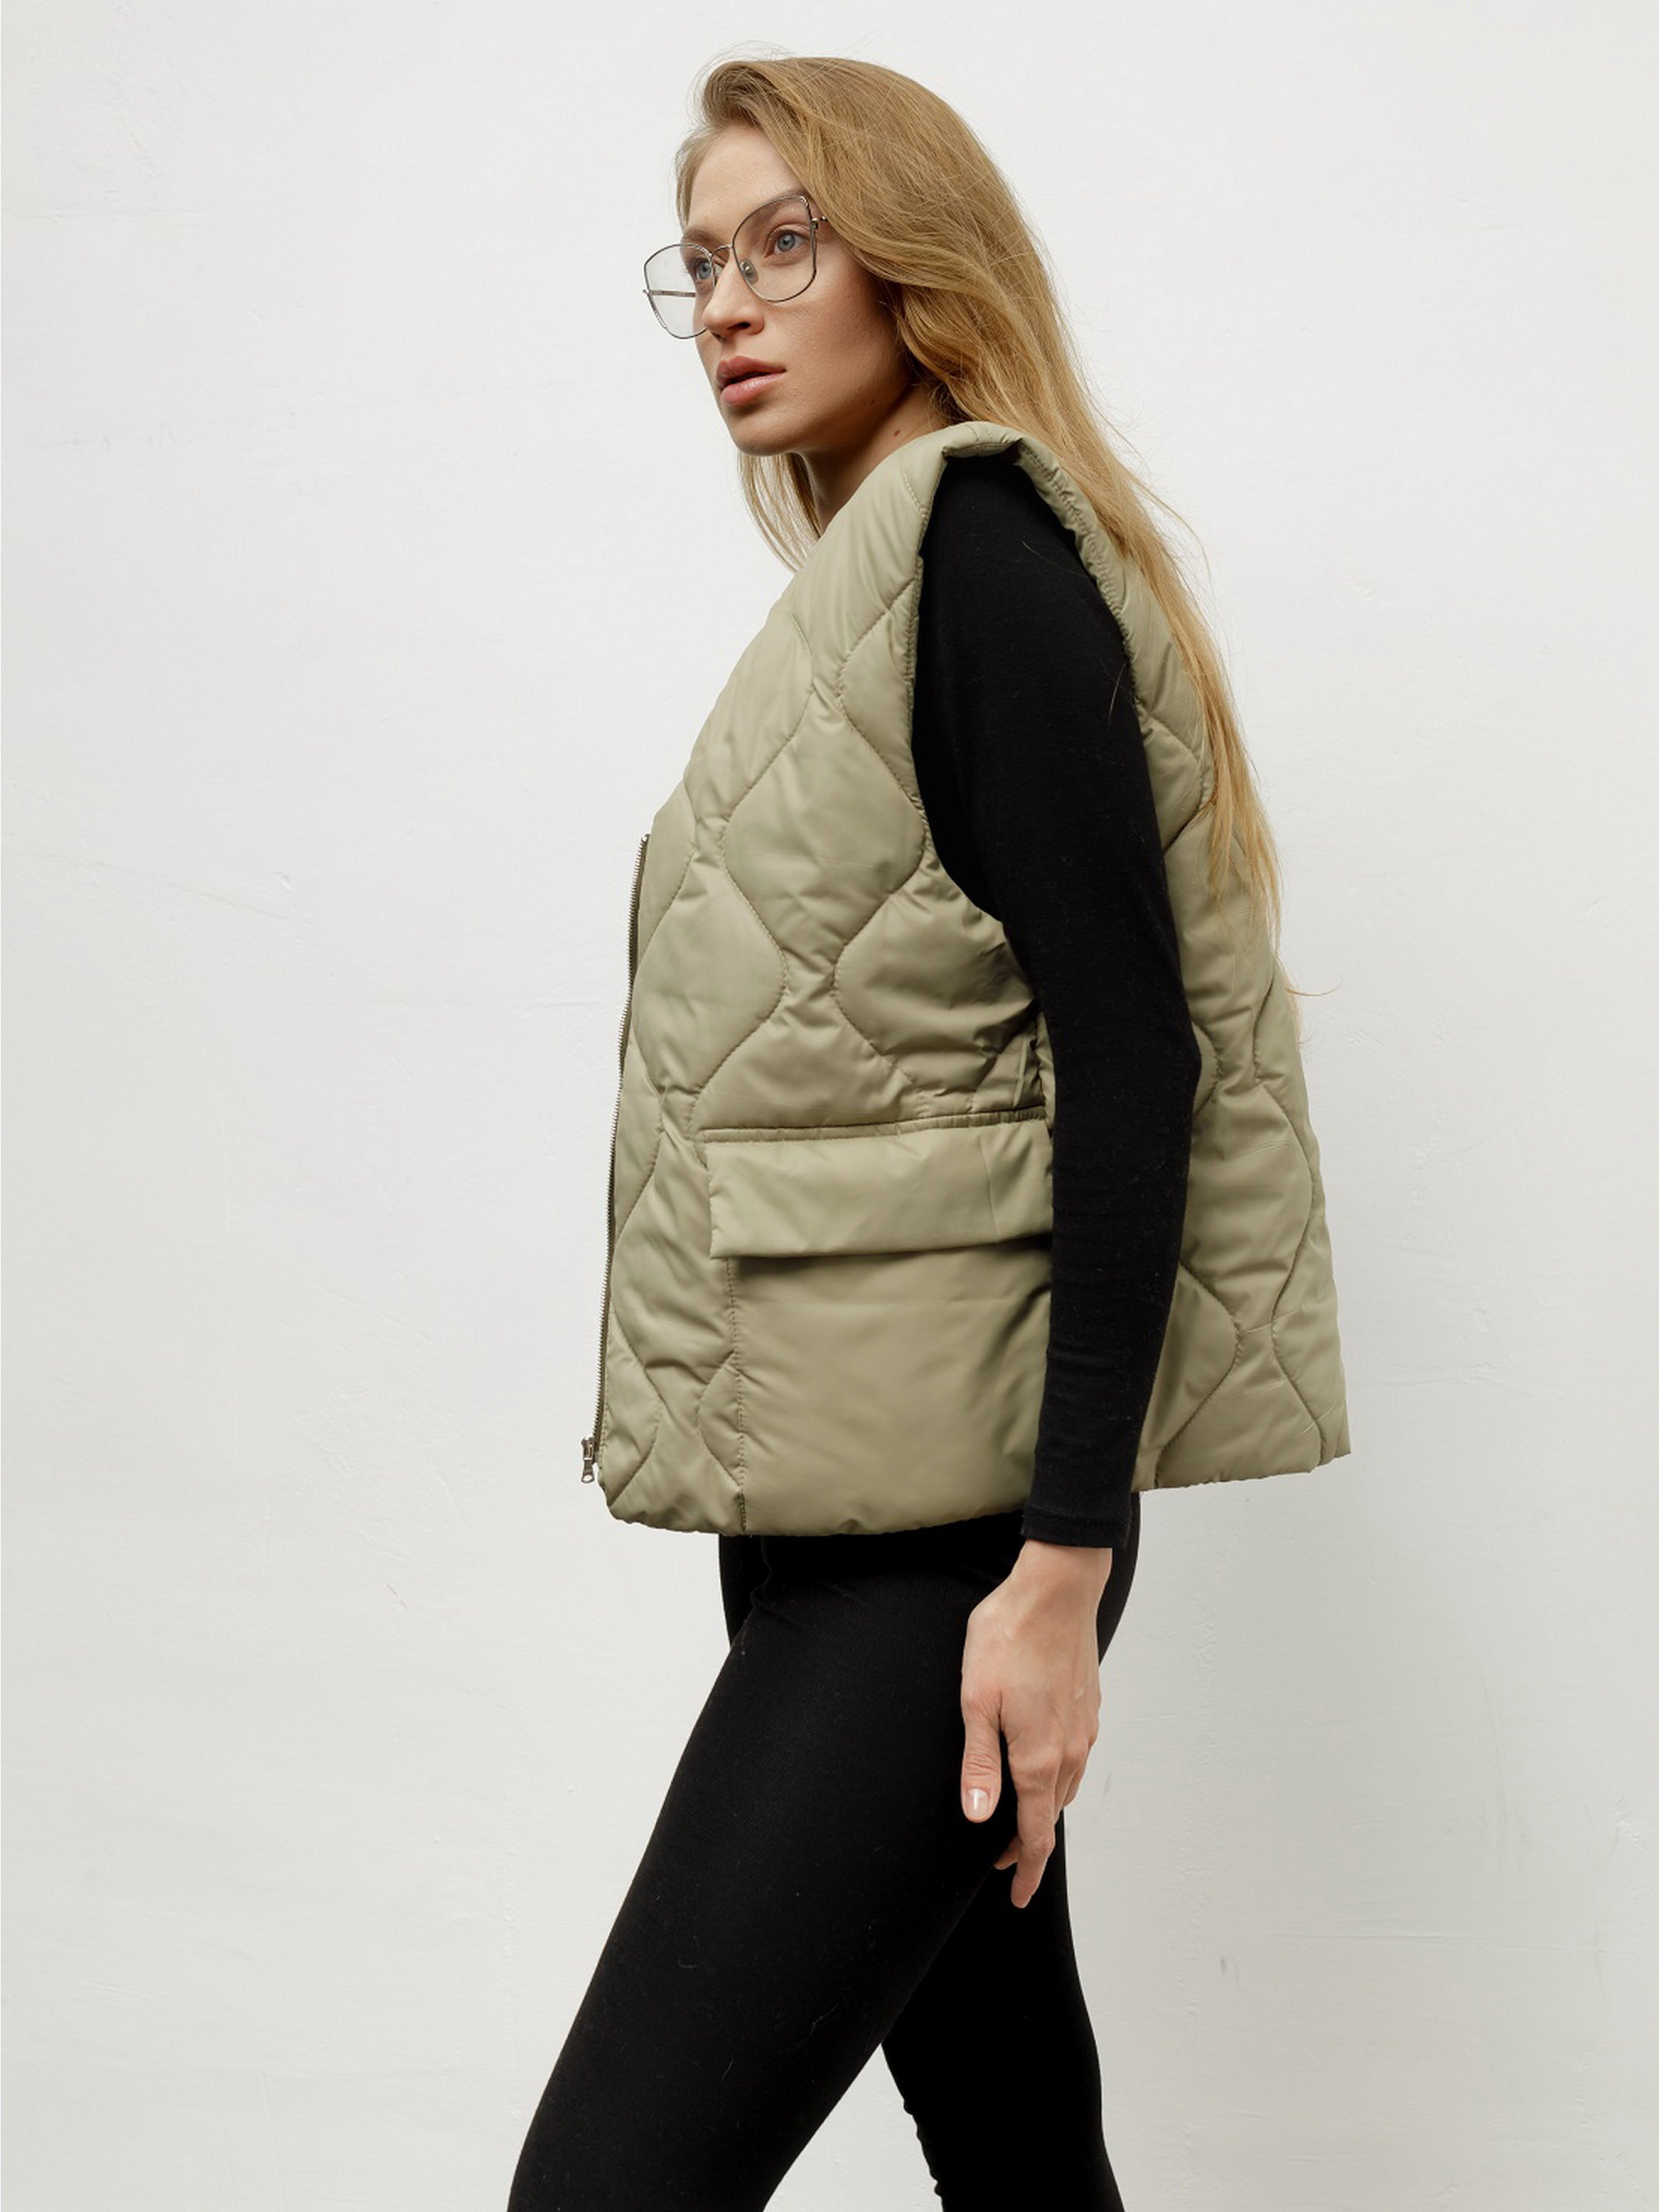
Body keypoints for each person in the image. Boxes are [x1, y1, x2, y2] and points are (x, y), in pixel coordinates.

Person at [509, 53, 1349, 2212]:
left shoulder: (979, 549)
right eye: (700, 261)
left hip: (951, 1561)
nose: (728, 302)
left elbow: (1131, 1066)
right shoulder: (883, 582)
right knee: (1013, 2141)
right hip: (841, 1507)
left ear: (912, 260)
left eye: (785, 244)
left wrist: (1057, 1574)